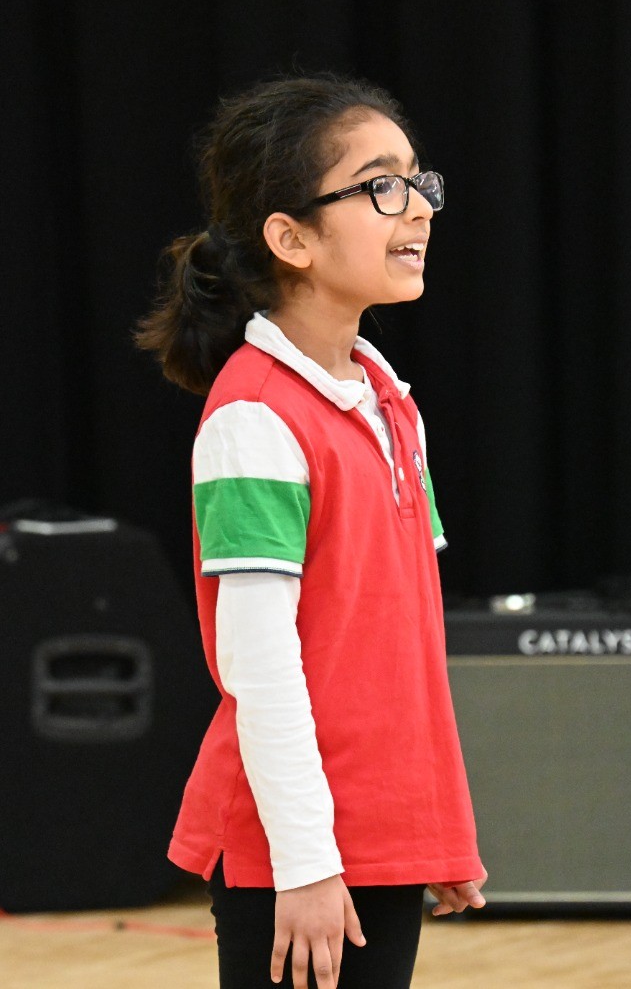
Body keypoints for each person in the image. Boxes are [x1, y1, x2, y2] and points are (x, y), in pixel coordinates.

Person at [136, 72, 487, 989]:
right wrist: (304, 863)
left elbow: (401, 642)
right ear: (290, 237)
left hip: (377, 834)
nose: (418, 207)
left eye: (417, 180)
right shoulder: (254, 416)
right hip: (294, 851)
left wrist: (434, 821)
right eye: (380, 186)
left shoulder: (390, 403)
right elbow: (260, 669)